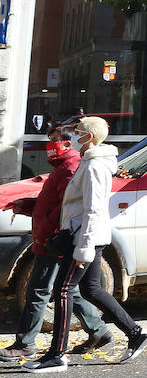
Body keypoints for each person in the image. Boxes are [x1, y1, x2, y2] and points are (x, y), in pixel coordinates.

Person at [23, 116, 147, 373]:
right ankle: (136, 333)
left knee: (62, 291)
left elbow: (93, 210)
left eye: (77, 131)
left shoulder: (94, 166)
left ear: (88, 137)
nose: (72, 135)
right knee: (91, 290)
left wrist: (84, 248)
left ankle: (56, 355)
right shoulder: (89, 162)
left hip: (84, 237)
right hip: (86, 235)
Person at [2, 124, 110, 361]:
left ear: (69, 142)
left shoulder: (71, 167)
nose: (50, 145)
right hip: (49, 237)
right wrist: (27, 206)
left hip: (54, 239)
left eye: (55, 139)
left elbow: (67, 209)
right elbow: (51, 203)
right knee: (65, 290)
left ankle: (25, 343)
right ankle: (99, 330)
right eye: (49, 139)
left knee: (39, 290)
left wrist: (47, 230)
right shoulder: (63, 166)